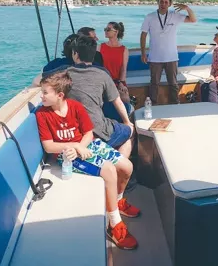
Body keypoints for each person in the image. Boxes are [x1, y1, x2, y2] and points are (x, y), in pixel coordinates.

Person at [35, 71, 141, 250]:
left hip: (88, 145)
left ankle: (118, 201)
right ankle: (113, 224)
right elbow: (49, 146)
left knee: (127, 166)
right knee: (109, 170)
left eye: (45, 92)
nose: (41, 96)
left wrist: (82, 146)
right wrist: (76, 147)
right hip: (67, 154)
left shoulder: (76, 107)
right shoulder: (42, 114)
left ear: (60, 95)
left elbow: (88, 133)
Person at [67, 35, 135, 158]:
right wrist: (127, 122)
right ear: (93, 55)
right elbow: (117, 101)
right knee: (130, 133)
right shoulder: (102, 73)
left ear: (75, 54)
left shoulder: (64, 73)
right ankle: (120, 165)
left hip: (75, 132)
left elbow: (38, 80)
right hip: (99, 130)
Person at [140, 0, 197, 103]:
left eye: (166, 2)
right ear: (158, 2)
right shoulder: (150, 17)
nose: (163, 4)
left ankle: (175, 105)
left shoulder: (174, 16)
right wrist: (143, 53)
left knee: (173, 84)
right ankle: (153, 106)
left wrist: (187, 8)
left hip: (171, 57)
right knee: (154, 84)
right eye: (161, 1)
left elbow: (193, 20)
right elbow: (143, 35)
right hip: (155, 58)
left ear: (170, 4)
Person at [100, 22, 130, 103]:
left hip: (117, 82)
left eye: (108, 29)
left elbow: (124, 69)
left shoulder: (124, 50)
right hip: (103, 82)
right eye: (105, 29)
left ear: (116, 32)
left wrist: (121, 82)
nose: (106, 31)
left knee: (125, 99)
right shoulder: (100, 47)